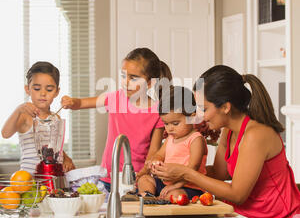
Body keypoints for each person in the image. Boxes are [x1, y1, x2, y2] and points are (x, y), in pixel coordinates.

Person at [153, 65, 300, 218]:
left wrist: (186, 173)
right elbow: (218, 172)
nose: (201, 115)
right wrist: (179, 167)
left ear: (225, 107)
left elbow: (237, 194)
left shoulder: (256, 135)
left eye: (205, 109)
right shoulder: (229, 131)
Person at [61, 48, 170, 192]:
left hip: (136, 180)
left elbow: (154, 151)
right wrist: (72, 102)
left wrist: (143, 173)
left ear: (150, 83)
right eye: (123, 76)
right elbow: (82, 103)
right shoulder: (116, 99)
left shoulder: (157, 112)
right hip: (108, 177)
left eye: (134, 78)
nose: (126, 82)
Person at [1, 61, 75, 174]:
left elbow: (53, 146)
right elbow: (5, 134)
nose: (43, 93)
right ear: (27, 89)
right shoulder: (25, 116)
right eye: (37, 88)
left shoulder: (56, 118)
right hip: (28, 182)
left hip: (52, 180)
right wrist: (19, 109)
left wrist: (66, 158)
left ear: (56, 92)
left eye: (49, 89)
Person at [138, 86, 207, 201]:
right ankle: (148, 197)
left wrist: (175, 186)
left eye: (175, 123)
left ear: (192, 117)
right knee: (144, 179)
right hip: (165, 184)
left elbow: (192, 169)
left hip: (188, 186)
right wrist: (155, 162)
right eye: (166, 123)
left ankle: (162, 199)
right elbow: (159, 154)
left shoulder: (196, 139)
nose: (169, 129)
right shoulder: (170, 138)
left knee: (176, 195)